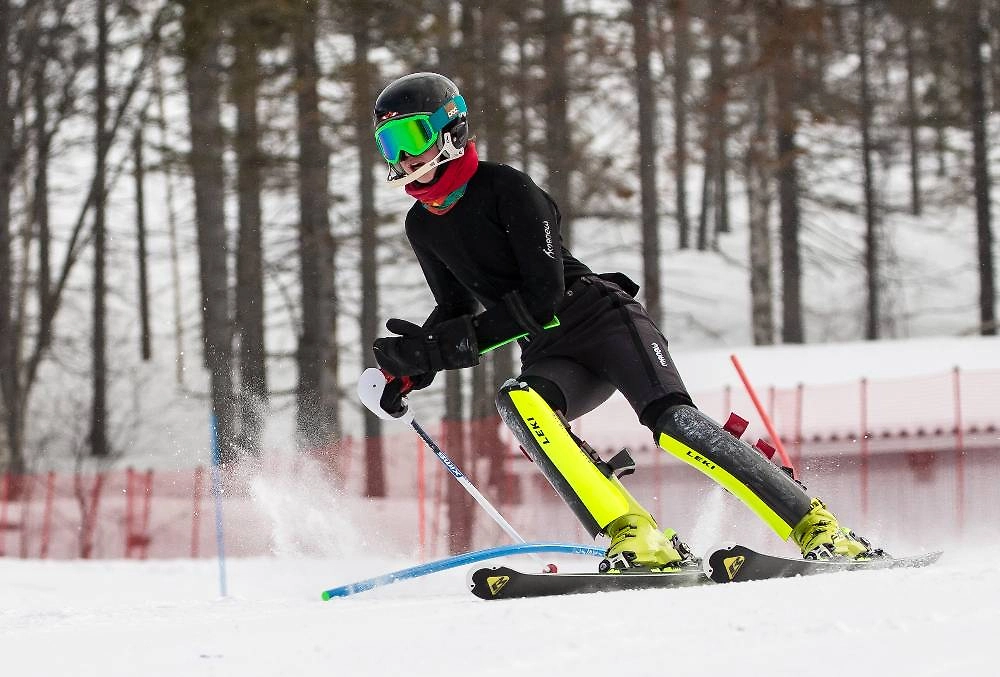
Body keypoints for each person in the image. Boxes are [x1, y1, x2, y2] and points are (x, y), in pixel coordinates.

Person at [370, 72, 883, 571]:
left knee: (673, 425)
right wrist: (413, 367)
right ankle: (635, 535)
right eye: (389, 145)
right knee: (520, 402)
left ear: (450, 128)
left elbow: (543, 294)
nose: (403, 157)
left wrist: (456, 346)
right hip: (549, 350)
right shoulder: (422, 224)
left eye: (410, 137)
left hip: (601, 318)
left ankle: (820, 528)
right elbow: (458, 310)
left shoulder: (508, 188)